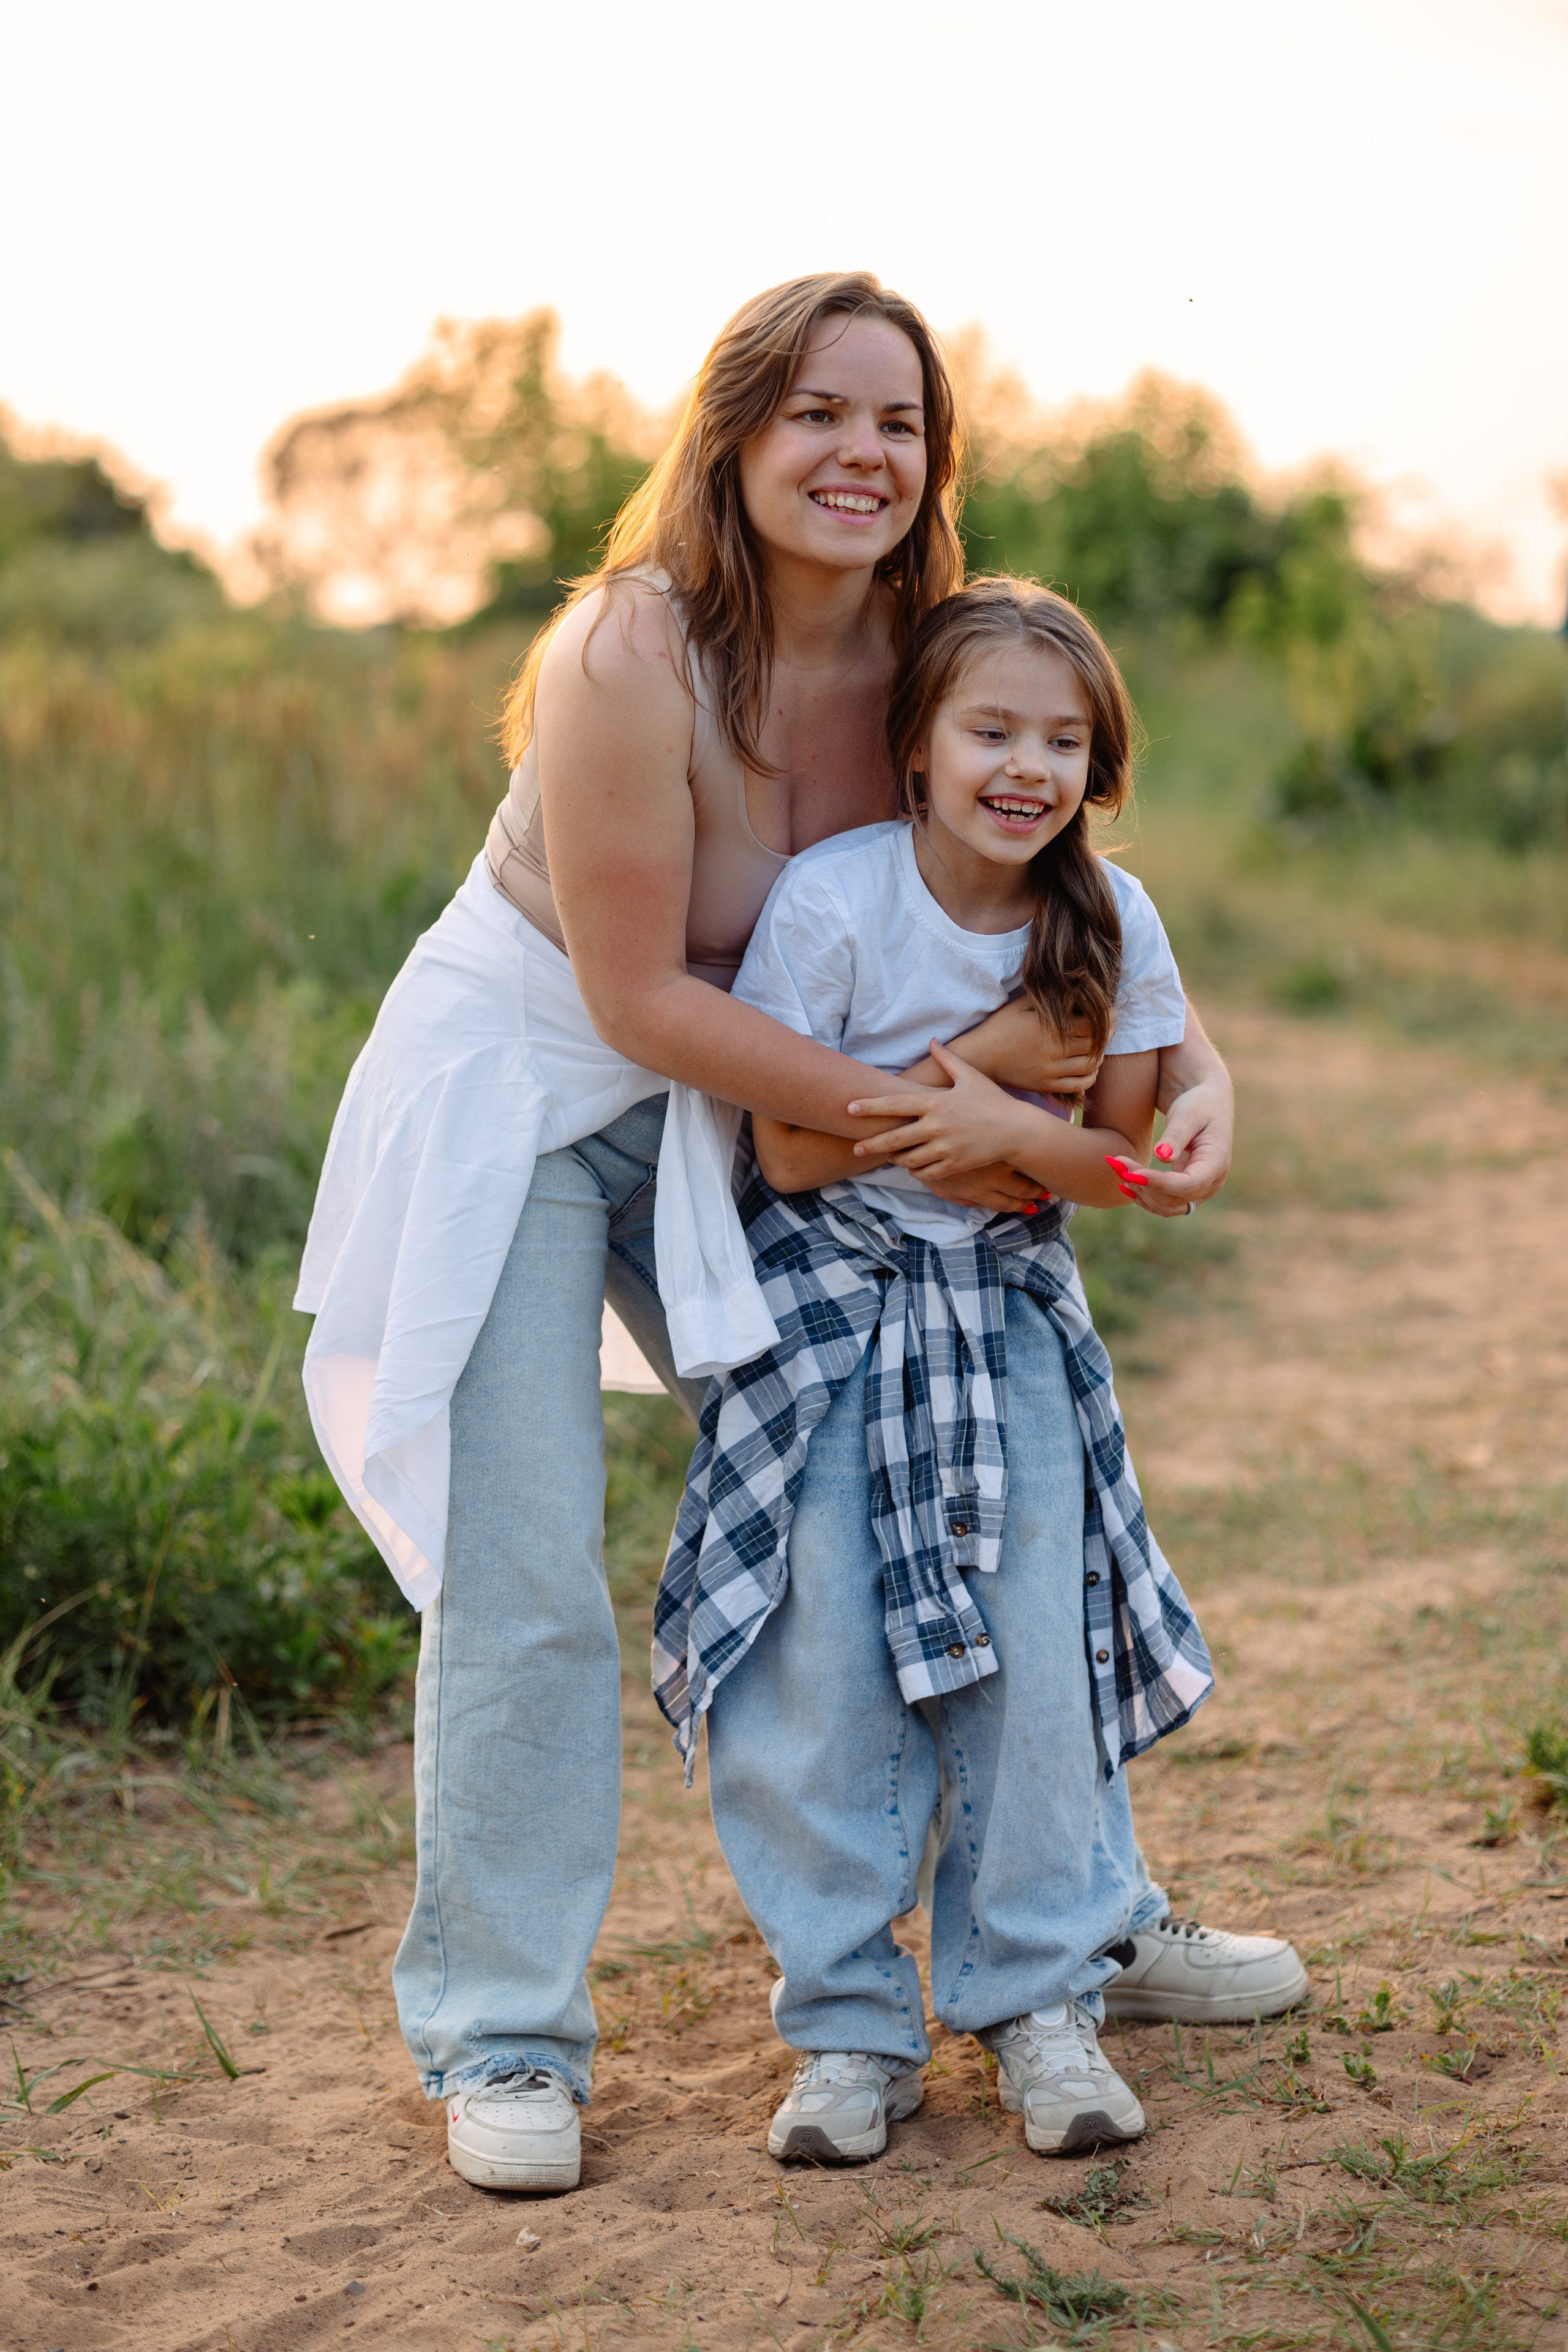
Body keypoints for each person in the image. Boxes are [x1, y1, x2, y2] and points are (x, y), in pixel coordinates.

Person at [295, 273, 1305, 2199]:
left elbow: (1056, 888)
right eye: (818, 415)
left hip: (763, 1125)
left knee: (937, 1495)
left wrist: (1186, 1076)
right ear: (736, 433)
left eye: (901, 423)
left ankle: (1074, 1929)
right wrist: (964, 1116)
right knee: (523, 1579)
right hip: (542, 1106)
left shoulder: (946, 651)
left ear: (934, 463)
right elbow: (639, 1001)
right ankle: (504, 2034)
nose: (862, 453)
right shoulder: (628, 649)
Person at [654, 579, 1222, 2162]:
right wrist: (974, 1096)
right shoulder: (837, 902)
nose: (1025, 765)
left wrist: (1011, 1137)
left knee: (1033, 1655)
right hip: (831, 1314)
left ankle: (1039, 1999)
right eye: (992, 730)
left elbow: (1116, 1165)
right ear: (917, 746)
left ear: (1098, 763)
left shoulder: (1107, 921)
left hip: (1011, 1310)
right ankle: (845, 2028)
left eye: (1063, 737)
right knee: (817, 1667)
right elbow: (786, 1144)